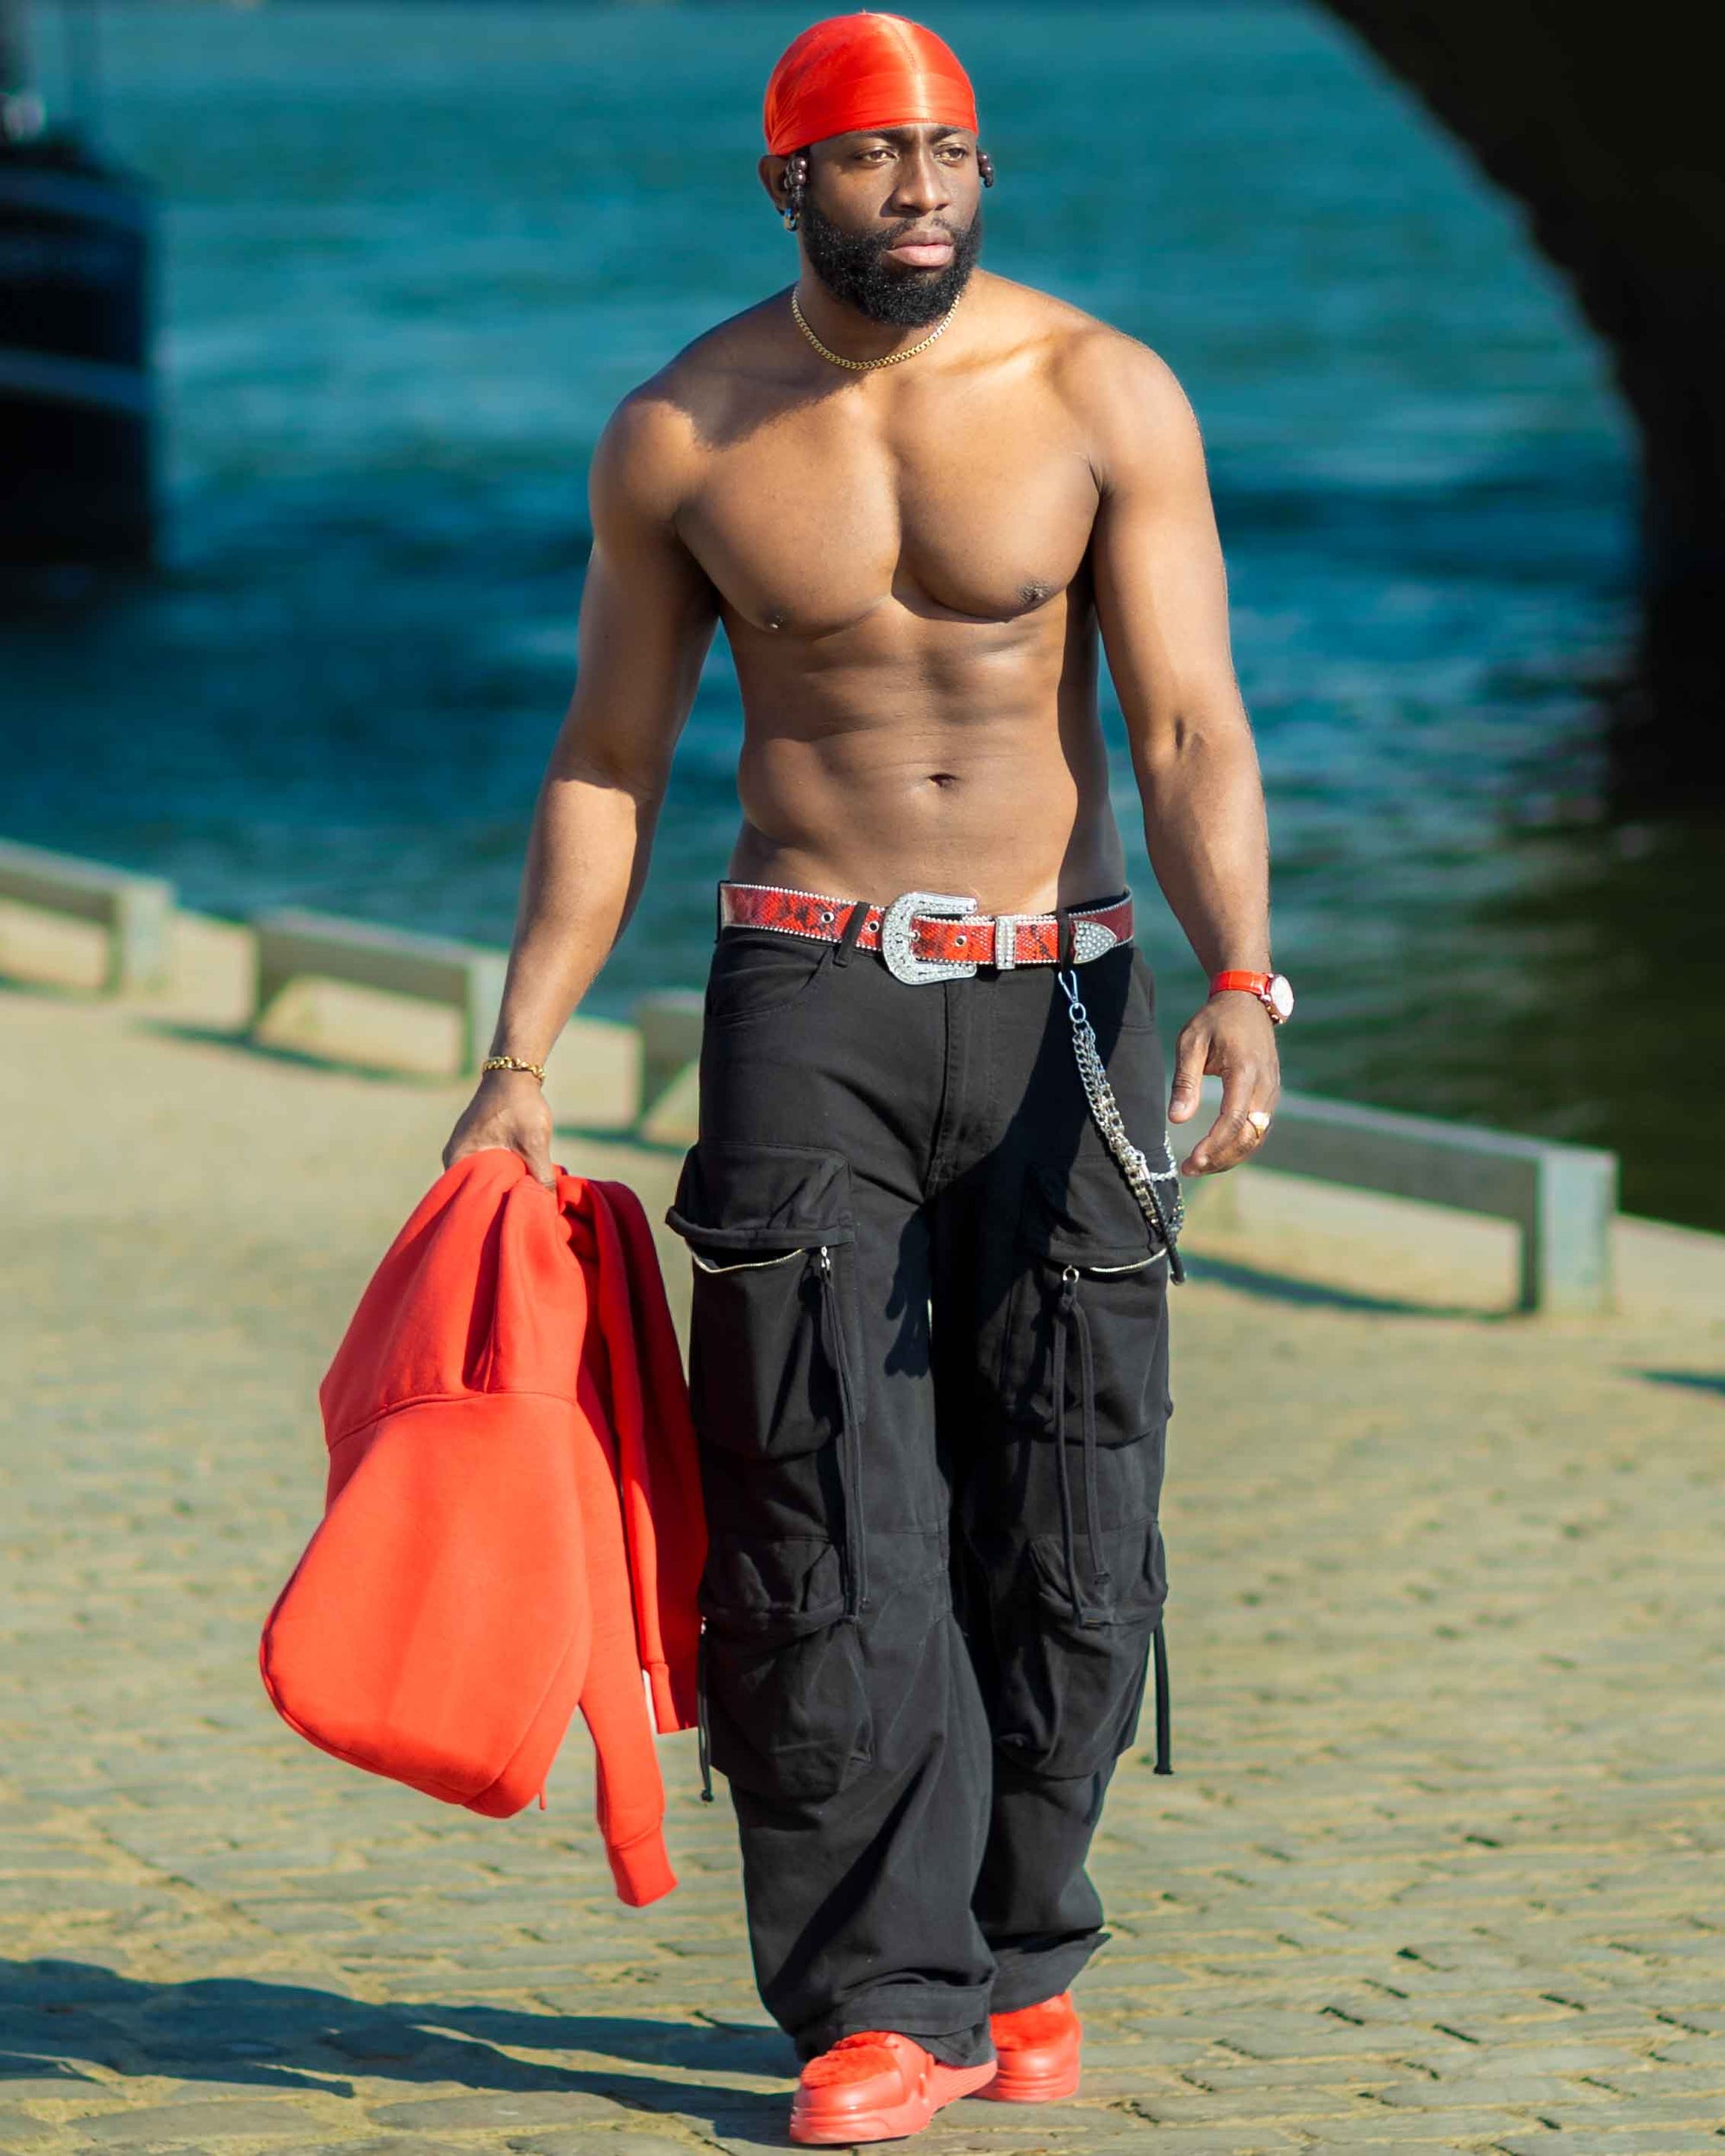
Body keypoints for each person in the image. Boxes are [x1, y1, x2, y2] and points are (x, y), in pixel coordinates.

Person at [442, 11, 1289, 2143]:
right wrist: (519, 1051)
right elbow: (608, 757)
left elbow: (1187, 722)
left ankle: (1024, 1944)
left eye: (950, 152)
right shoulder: (682, 431)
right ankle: (878, 2000)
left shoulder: (1099, 389)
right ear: (786, 181)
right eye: (872, 155)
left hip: (1062, 996)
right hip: (804, 989)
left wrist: (1240, 974)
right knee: (821, 1502)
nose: (920, 187)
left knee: (1075, 1496)